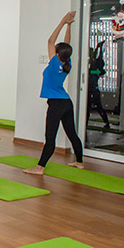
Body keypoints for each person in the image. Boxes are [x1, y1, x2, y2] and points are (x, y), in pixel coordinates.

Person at [24, 11, 84, 175]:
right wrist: (69, 26)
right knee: (72, 133)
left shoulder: (54, 63)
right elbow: (66, 44)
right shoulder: (66, 62)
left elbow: (50, 40)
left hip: (56, 104)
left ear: (57, 54)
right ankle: (79, 162)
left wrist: (63, 22)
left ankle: (40, 168)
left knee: (50, 138)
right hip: (66, 102)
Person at [88, 40, 110, 129]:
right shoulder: (95, 69)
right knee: (93, 108)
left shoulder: (96, 70)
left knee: (97, 108)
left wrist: (99, 47)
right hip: (92, 90)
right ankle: (106, 123)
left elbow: (98, 57)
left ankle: (106, 122)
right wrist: (98, 47)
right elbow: (96, 56)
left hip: (93, 90)